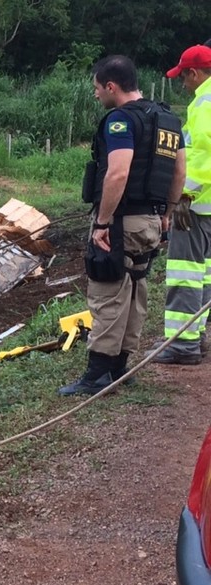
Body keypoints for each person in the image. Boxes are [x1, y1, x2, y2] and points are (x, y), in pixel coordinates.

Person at [60, 55, 186, 394]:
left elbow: (118, 172)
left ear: (111, 86)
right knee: (135, 291)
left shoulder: (120, 121)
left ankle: (97, 376)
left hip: (122, 221)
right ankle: (119, 370)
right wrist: (166, 213)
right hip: (151, 220)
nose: (96, 95)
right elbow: (178, 172)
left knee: (107, 291)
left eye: (97, 88)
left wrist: (102, 222)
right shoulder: (168, 120)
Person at [154, 45, 211, 364]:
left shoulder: (204, 103)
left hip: (195, 204)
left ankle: (183, 343)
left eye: (183, 77)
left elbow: (203, 158)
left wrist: (179, 198)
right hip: (209, 205)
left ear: (194, 72)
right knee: (203, 273)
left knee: (184, 272)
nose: (183, 84)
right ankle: (195, 334)